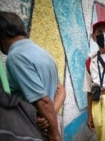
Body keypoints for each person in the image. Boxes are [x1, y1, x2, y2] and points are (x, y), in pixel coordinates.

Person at [0, 11, 65, 141]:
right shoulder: (43, 53)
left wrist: (54, 135)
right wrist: (53, 114)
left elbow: (44, 101)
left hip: (35, 129)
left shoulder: (16, 57)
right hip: (49, 123)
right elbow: (61, 90)